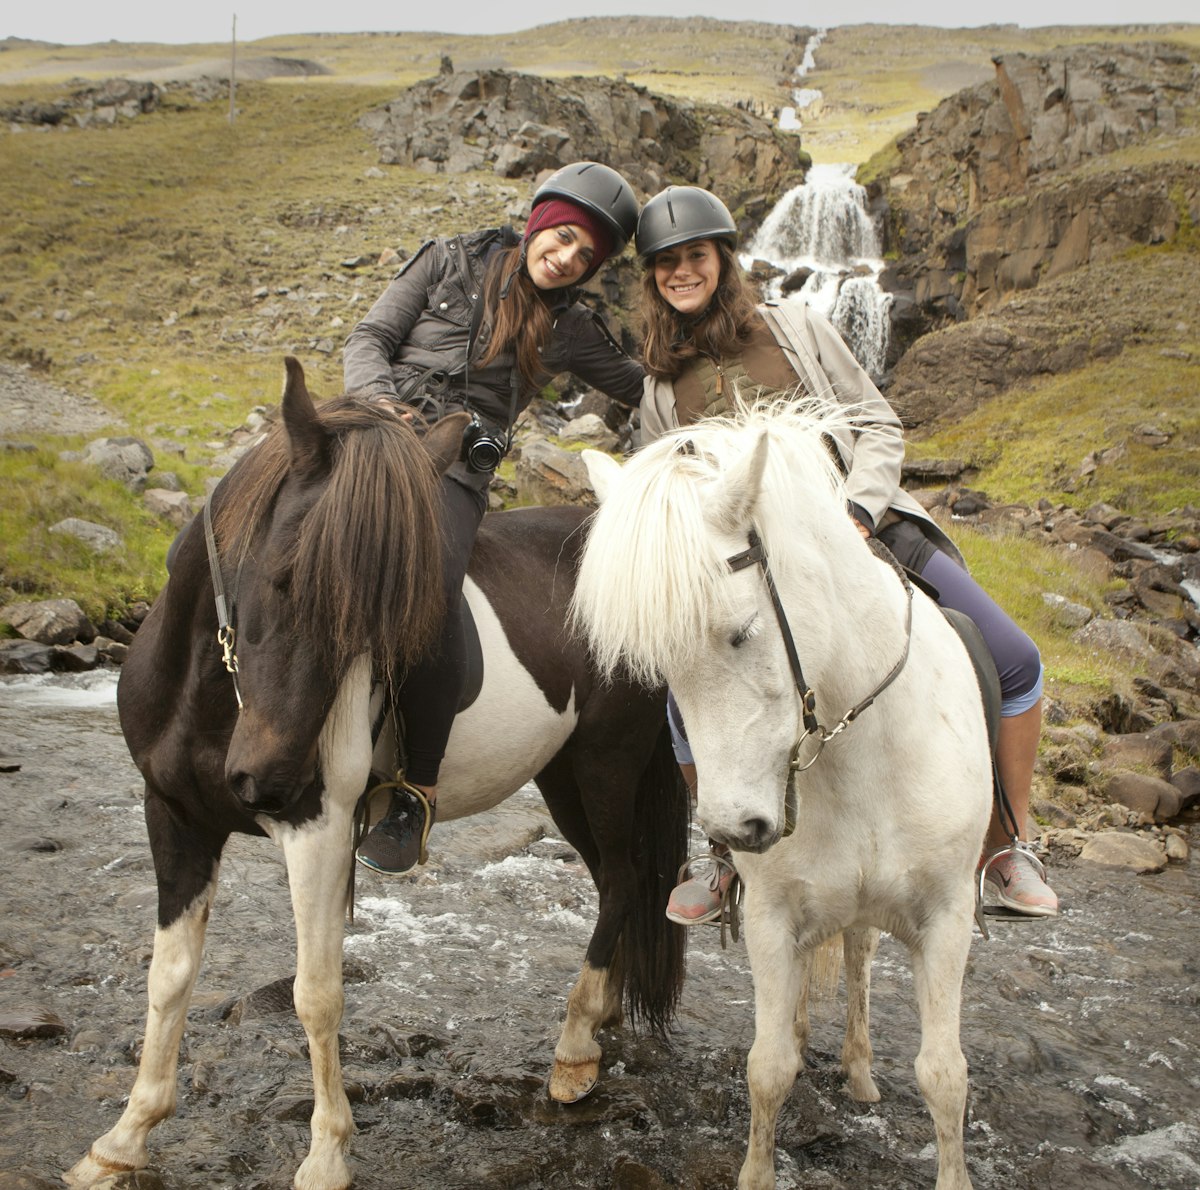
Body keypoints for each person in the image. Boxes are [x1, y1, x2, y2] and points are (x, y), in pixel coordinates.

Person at [633, 185, 1057, 923]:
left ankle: (1004, 845)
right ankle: (725, 858)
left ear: (721, 258)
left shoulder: (796, 325)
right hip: (744, 573)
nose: (681, 273)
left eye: (694, 256)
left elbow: (877, 423)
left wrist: (859, 511)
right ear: (653, 279)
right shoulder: (658, 387)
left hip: (860, 528)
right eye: (666, 264)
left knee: (1015, 660)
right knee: (684, 698)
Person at [344, 161, 644, 875]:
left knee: (430, 592)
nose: (568, 258)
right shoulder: (445, 259)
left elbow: (640, 386)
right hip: (369, 438)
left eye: (585, 256)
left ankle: (415, 786)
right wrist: (382, 403)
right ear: (540, 219)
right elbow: (368, 341)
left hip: (455, 474)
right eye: (564, 237)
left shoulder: (571, 327)